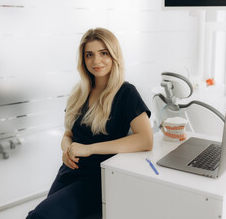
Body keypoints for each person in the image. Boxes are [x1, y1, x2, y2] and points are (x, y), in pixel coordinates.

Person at [27, 28, 153, 219]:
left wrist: (89, 149)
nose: (96, 61)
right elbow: (68, 134)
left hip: (98, 176)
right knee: (40, 214)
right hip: (69, 171)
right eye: (89, 55)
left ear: (114, 55)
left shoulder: (126, 93)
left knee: (40, 216)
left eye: (103, 53)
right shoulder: (79, 92)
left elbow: (145, 140)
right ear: (83, 60)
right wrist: (67, 150)